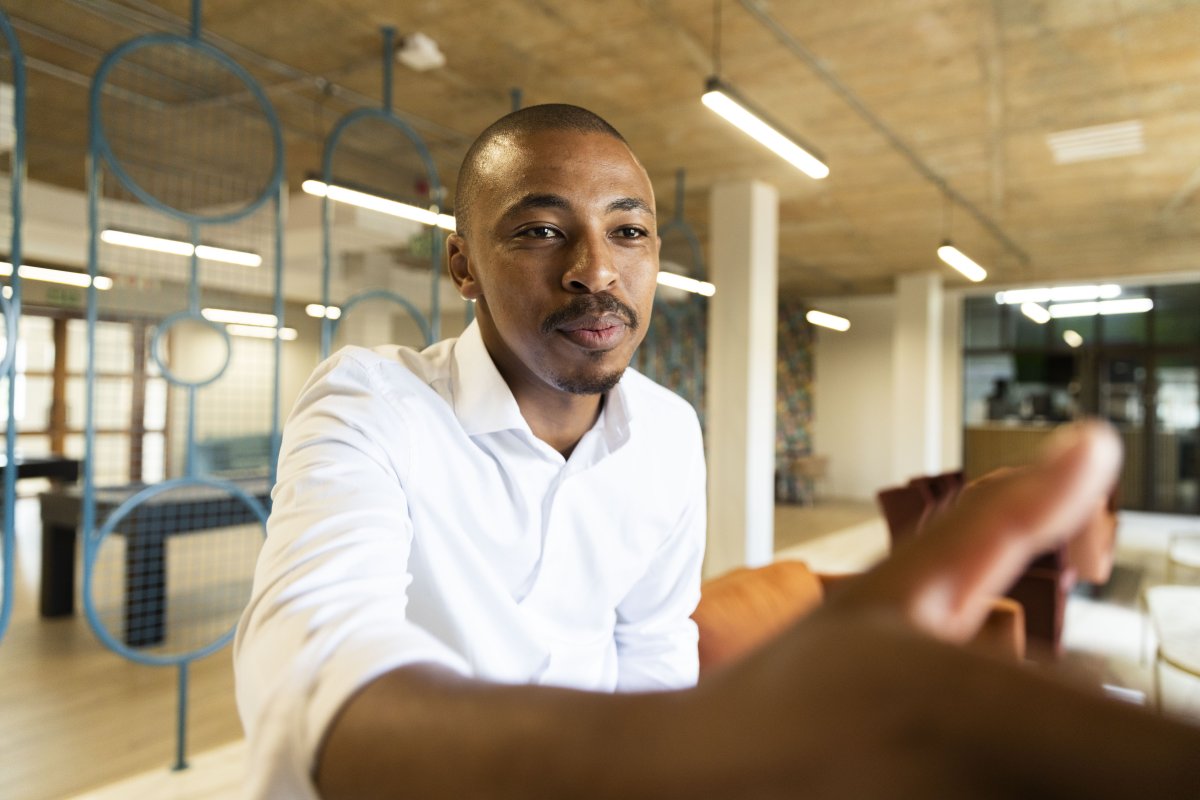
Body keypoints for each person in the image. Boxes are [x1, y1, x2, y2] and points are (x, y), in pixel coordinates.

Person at [234, 105, 1200, 799]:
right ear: (462, 264)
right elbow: (311, 661)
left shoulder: (667, 432)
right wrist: (674, 752)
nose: (595, 269)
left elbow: (652, 650)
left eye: (629, 232)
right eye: (540, 230)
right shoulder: (372, 403)